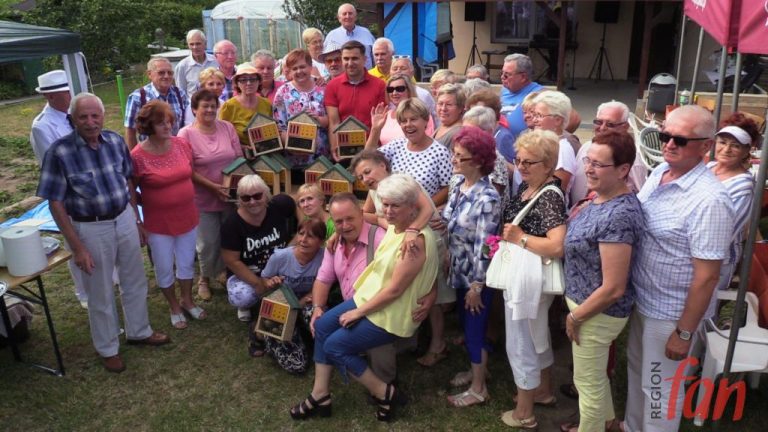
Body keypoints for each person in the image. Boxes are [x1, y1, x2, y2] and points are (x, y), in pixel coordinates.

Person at [37, 93, 170, 373]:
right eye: (83, 116)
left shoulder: (114, 142)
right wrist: (77, 247)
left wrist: (136, 220)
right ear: (72, 119)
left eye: (95, 115)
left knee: (134, 279)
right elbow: (55, 203)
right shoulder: (59, 152)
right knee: (100, 290)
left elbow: (127, 182)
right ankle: (108, 348)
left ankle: (139, 331)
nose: (90, 122)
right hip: (90, 227)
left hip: (123, 219)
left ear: (103, 116)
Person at [289, 174, 438, 422]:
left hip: (391, 312)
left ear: (413, 206)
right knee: (324, 325)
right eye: (385, 204)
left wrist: (357, 313)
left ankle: (384, 392)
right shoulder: (396, 225)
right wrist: (339, 228)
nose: (388, 211)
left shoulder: (415, 242)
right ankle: (320, 394)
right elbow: (365, 216)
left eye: (395, 205)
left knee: (334, 346)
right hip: (372, 299)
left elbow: (395, 291)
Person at [624, 105, 734, 432]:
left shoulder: (709, 200)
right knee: (637, 372)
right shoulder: (660, 172)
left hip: (671, 313)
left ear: (706, 146)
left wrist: (684, 332)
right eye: (665, 135)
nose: (669, 144)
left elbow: (708, 276)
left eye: (680, 140)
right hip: (644, 299)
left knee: (659, 389)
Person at [560, 130, 645, 432]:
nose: (589, 169)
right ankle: (608, 422)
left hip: (595, 314)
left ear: (623, 170)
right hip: (588, 310)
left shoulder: (619, 214)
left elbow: (613, 287)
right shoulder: (601, 197)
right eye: (588, 160)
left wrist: (576, 316)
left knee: (587, 384)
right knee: (594, 377)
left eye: (599, 164)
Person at [310, 192, 422, 386]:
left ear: (362, 214)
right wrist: (318, 306)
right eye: (338, 222)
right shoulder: (335, 243)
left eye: (350, 219)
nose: (345, 226)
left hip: (381, 310)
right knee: (321, 323)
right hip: (352, 307)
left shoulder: (381, 238)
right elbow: (323, 279)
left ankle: (385, 385)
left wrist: (431, 294)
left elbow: (411, 272)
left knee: (374, 342)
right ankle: (321, 390)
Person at [499, 129, 566, 429]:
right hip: (526, 276)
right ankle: (543, 391)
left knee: (521, 340)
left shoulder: (549, 196)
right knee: (536, 335)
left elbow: (557, 245)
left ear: (549, 164)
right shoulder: (532, 187)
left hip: (528, 278)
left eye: (530, 162)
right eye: (519, 160)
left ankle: (524, 412)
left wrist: (520, 238)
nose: (522, 166)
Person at [131, 100, 204, 330]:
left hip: (188, 215)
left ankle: (187, 300)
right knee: (163, 266)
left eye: (169, 122)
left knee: (185, 262)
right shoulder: (137, 156)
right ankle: (173, 305)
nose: (167, 126)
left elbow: (189, 172)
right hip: (158, 222)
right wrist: (138, 221)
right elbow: (131, 191)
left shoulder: (182, 144)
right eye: (161, 123)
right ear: (148, 126)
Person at [442, 127, 501, 407]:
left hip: (476, 276)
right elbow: (452, 225)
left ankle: (479, 389)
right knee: (468, 326)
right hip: (459, 268)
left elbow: (486, 246)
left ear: (477, 161)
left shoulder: (487, 199)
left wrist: (477, 285)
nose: (453, 160)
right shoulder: (460, 185)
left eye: (459, 157)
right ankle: (479, 368)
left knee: (475, 329)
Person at [29, 70, 87, 309]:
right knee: (75, 240)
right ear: (50, 97)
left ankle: (107, 277)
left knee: (94, 234)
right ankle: (82, 292)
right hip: (68, 190)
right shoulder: (42, 126)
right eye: (64, 93)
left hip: (89, 187)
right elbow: (55, 163)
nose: (69, 96)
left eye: (69, 91)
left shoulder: (74, 114)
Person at [178, 89, 242, 301]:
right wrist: (214, 187)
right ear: (194, 109)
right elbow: (187, 169)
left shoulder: (227, 127)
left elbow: (239, 158)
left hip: (229, 195)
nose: (209, 110)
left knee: (228, 236)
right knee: (207, 242)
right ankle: (204, 278)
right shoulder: (185, 134)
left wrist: (230, 186)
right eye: (204, 106)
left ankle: (223, 272)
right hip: (202, 198)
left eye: (213, 106)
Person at [220, 174, 297, 327]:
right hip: (248, 273)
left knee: (300, 282)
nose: (253, 201)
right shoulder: (232, 223)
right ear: (239, 199)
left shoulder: (279, 205)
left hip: (279, 267)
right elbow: (231, 260)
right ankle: (247, 305)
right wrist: (257, 282)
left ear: (266, 194)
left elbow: (297, 204)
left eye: (257, 195)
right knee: (242, 296)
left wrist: (301, 232)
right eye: (246, 198)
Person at [259, 218, 326, 374]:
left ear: (321, 241)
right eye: (300, 233)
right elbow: (263, 281)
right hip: (280, 304)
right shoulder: (280, 257)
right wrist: (270, 283)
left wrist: (299, 304)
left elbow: (320, 286)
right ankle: (265, 334)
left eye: (310, 236)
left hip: (306, 301)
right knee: (297, 365)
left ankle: (312, 339)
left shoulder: (325, 258)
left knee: (319, 317)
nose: (303, 240)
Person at [707, 114, 760, 296]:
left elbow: (726, 233)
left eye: (735, 146)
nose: (726, 149)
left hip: (716, 260)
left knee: (702, 313)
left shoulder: (743, 186)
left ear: (747, 151)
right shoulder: (708, 168)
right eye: (722, 142)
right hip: (687, 252)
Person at [366, 98, 451, 206]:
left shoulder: (440, 152)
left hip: (422, 217)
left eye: (413, 119)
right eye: (403, 121)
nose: (408, 124)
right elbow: (368, 159)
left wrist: (424, 208)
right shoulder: (396, 145)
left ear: (425, 120)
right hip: (393, 214)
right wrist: (375, 129)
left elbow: (447, 188)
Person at [570, 100, 647, 206]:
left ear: (625, 127)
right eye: (599, 122)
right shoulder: (585, 147)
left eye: (610, 124)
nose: (602, 128)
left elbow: (640, 198)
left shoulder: (632, 160)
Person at [325, 40, 386, 160]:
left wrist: (370, 149)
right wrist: (334, 146)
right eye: (346, 59)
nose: (350, 63)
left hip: (371, 148)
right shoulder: (332, 86)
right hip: (344, 149)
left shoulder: (379, 85)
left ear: (365, 59)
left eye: (355, 58)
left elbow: (380, 121)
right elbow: (333, 122)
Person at [272, 49, 329, 164]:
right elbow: (279, 126)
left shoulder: (323, 89)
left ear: (310, 66)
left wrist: (319, 119)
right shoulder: (283, 92)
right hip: (293, 158)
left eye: (302, 67)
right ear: (289, 71)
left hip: (321, 157)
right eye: (294, 68)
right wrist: (296, 146)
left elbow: (332, 120)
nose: (299, 71)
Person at [124, 57, 187, 149]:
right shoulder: (138, 97)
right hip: (150, 152)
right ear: (149, 74)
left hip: (176, 150)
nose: (166, 76)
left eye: (170, 73)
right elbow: (130, 130)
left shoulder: (180, 94)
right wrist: (133, 159)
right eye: (161, 73)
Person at [530, 91, 578, 198]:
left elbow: (554, 195)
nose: (534, 120)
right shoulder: (543, 144)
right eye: (534, 115)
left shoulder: (562, 151)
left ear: (557, 120)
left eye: (539, 115)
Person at [366, 74, 434, 147]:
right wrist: (375, 129)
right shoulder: (385, 116)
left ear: (409, 90)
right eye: (390, 90)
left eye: (400, 89)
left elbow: (427, 144)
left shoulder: (422, 113)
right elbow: (370, 151)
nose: (394, 93)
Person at [218, 65, 272, 150]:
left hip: (265, 151)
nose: (249, 83)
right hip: (239, 155)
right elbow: (222, 135)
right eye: (243, 80)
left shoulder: (266, 103)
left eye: (253, 79)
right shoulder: (229, 106)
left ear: (259, 82)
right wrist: (241, 148)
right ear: (237, 83)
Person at [30, 70, 73, 166]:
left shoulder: (75, 112)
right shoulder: (41, 126)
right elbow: (52, 164)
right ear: (51, 96)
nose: (72, 94)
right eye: (67, 92)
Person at [499, 54, 544, 139]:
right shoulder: (505, 90)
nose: (502, 77)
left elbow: (573, 119)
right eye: (501, 73)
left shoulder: (539, 94)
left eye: (506, 75)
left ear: (523, 77)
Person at [325, 3, 376, 70]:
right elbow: (326, 60)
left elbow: (375, 55)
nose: (348, 16)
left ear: (355, 16)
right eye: (344, 14)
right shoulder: (332, 36)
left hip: (366, 76)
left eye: (350, 13)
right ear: (339, 18)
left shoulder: (366, 33)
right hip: (342, 78)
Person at [389, 57, 437, 125]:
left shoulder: (423, 94)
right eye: (395, 69)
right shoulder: (387, 93)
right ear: (390, 72)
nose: (398, 71)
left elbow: (435, 120)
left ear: (412, 72)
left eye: (403, 68)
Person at [175, 29, 218, 96]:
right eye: (191, 44)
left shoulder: (216, 61)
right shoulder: (182, 66)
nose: (195, 47)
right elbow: (181, 93)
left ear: (205, 44)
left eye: (198, 44)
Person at [433, 83, 466, 148]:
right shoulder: (444, 125)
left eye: (449, 104)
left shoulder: (458, 133)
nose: (443, 108)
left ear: (460, 108)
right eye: (440, 103)